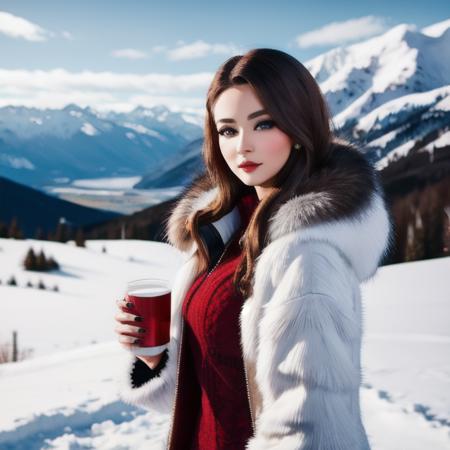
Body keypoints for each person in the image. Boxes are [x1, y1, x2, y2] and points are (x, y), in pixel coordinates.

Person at [114, 48, 394, 449]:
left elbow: (310, 429)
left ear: (299, 126)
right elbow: (208, 382)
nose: (242, 146)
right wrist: (154, 359)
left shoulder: (307, 254)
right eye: (228, 130)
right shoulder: (227, 230)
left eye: (263, 124)